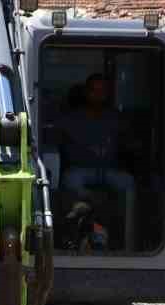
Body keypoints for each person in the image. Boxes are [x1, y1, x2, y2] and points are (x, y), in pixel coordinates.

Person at [57, 73, 136, 245]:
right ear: (86, 92)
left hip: (109, 171)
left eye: (103, 91)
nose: (99, 95)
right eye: (95, 90)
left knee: (128, 182)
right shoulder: (71, 118)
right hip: (80, 171)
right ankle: (83, 220)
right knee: (70, 180)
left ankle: (128, 241)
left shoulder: (115, 117)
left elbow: (127, 144)